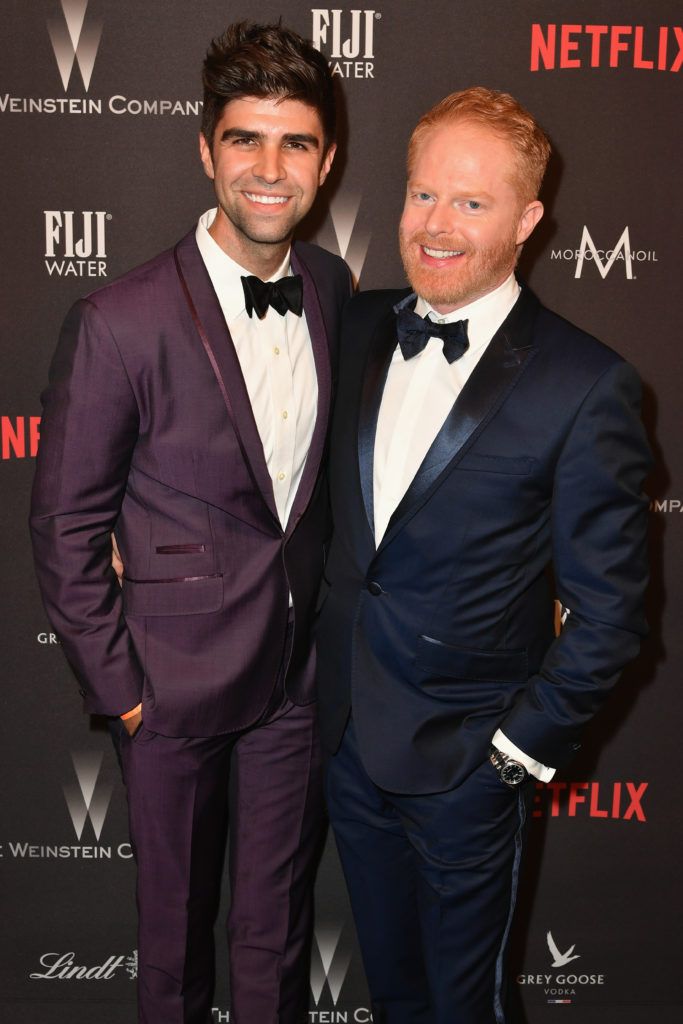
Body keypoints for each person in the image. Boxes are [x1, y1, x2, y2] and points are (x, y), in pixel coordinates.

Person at [30, 21, 351, 1024]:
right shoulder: (118, 320)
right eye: (244, 140)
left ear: (326, 160)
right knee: (170, 951)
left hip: (295, 679)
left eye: (294, 142)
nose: (268, 168)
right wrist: (122, 691)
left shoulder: (332, 289)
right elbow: (64, 522)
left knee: (276, 933)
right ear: (204, 149)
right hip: (167, 689)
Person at [315, 87, 651, 1024]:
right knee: (394, 995)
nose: (436, 226)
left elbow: (612, 611)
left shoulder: (586, 385)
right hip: (345, 741)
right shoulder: (353, 327)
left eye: (472, 203)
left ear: (528, 219)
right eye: (424, 195)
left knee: (465, 1008)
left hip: (469, 763)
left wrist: (513, 752)